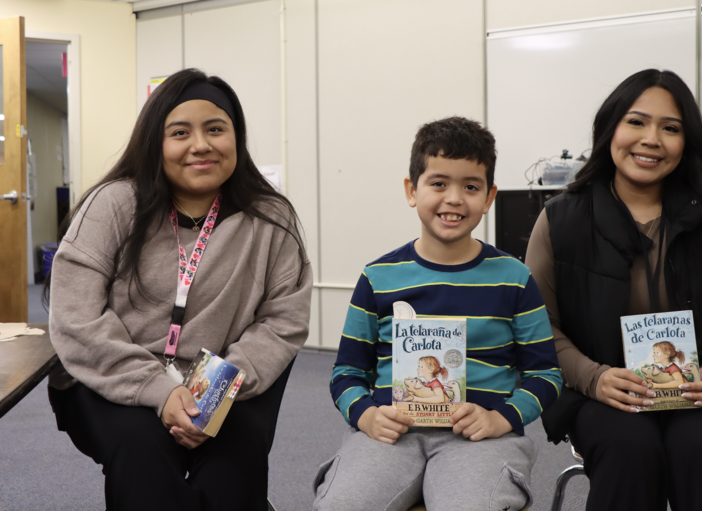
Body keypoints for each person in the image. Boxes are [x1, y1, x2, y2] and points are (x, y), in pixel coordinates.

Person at [46, 68, 312, 511]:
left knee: (238, 455)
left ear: (236, 137)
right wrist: (160, 391)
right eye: (180, 132)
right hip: (111, 378)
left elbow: (283, 321)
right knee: (142, 450)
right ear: (156, 141)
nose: (201, 145)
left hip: (224, 383)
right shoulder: (113, 204)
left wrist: (208, 397)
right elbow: (76, 320)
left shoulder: (271, 219)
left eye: (215, 129)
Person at [525, 69, 702, 511]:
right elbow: (539, 328)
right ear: (610, 129)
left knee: (700, 449)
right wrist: (594, 378)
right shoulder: (560, 220)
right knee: (630, 450)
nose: (651, 139)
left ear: (687, 142)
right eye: (636, 122)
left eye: (671, 128)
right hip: (604, 396)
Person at [313, 116, 563, 511]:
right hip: (392, 434)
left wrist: (501, 419)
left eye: (470, 186)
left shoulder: (514, 279)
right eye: (438, 183)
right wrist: (365, 417)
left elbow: (545, 375)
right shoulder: (378, 278)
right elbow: (346, 373)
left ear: (489, 196)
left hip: (480, 438)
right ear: (412, 191)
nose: (454, 198)